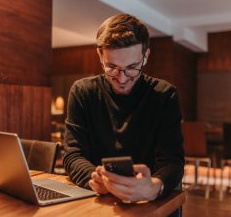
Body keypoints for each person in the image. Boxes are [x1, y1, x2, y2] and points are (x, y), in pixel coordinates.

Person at [63, 13, 184, 202]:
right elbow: (73, 155)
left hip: (148, 203)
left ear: (146, 56)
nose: (121, 78)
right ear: (100, 56)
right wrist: (95, 179)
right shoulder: (82, 92)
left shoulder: (164, 95)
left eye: (132, 67)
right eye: (112, 67)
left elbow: (172, 162)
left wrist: (155, 185)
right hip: (96, 202)